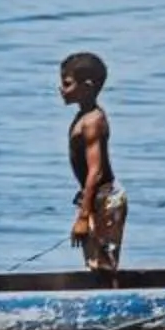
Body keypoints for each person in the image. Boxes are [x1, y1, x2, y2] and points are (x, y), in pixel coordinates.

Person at [60, 53, 128, 278]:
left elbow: (96, 171)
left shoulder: (92, 122)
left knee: (103, 265)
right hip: (95, 198)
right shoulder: (84, 116)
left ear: (87, 87)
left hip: (106, 199)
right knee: (93, 262)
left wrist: (83, 216)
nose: (61, 89)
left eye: (67, 84)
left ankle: (112, 297)